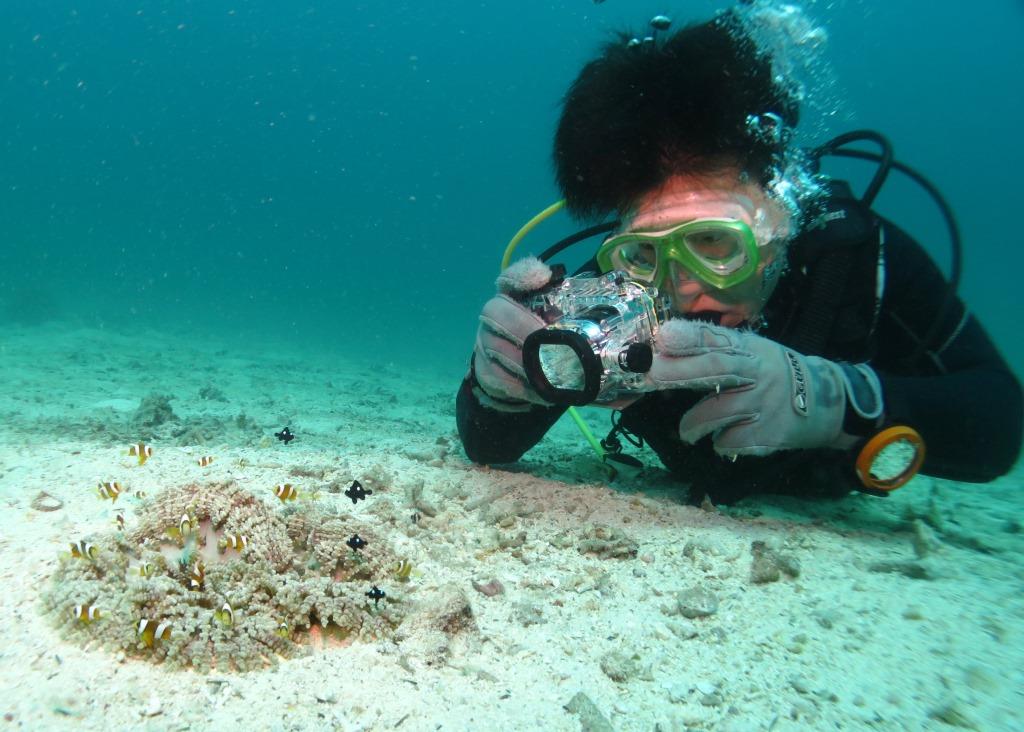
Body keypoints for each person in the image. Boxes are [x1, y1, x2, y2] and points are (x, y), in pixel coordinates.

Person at [455, 9, 1022, 504]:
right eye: (647, 252)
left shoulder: (852, 257)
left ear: (781, 212)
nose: (682, 288)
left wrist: (838, 399)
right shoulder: (623, 288)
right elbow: (489, 444)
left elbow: (999, 423)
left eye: (714, 243)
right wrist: (497, 383)